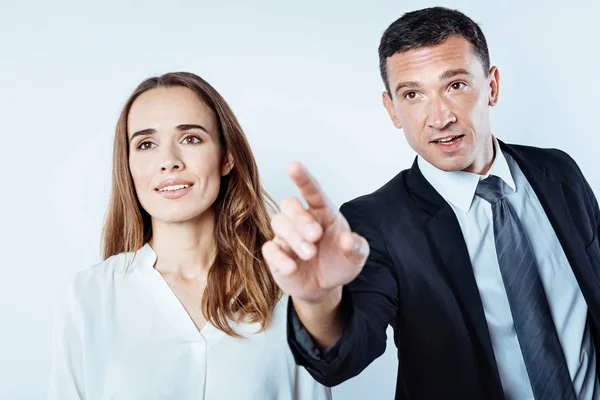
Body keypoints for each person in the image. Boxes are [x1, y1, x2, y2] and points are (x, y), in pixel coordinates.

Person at [263, 7, 600, 400]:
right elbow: (344, 358)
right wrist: (318, 299)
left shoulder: (557, 171)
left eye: (455, 85)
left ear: (492, 86)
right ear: (392, 109)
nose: (439, 118)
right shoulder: (374, 223)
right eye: (412, 95)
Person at [48, 72, 331, 400]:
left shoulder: (286, 289)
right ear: (128, 166)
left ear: (226, 157)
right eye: (146, 144)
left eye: (191, 139)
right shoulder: (89, 296)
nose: (169, 162)